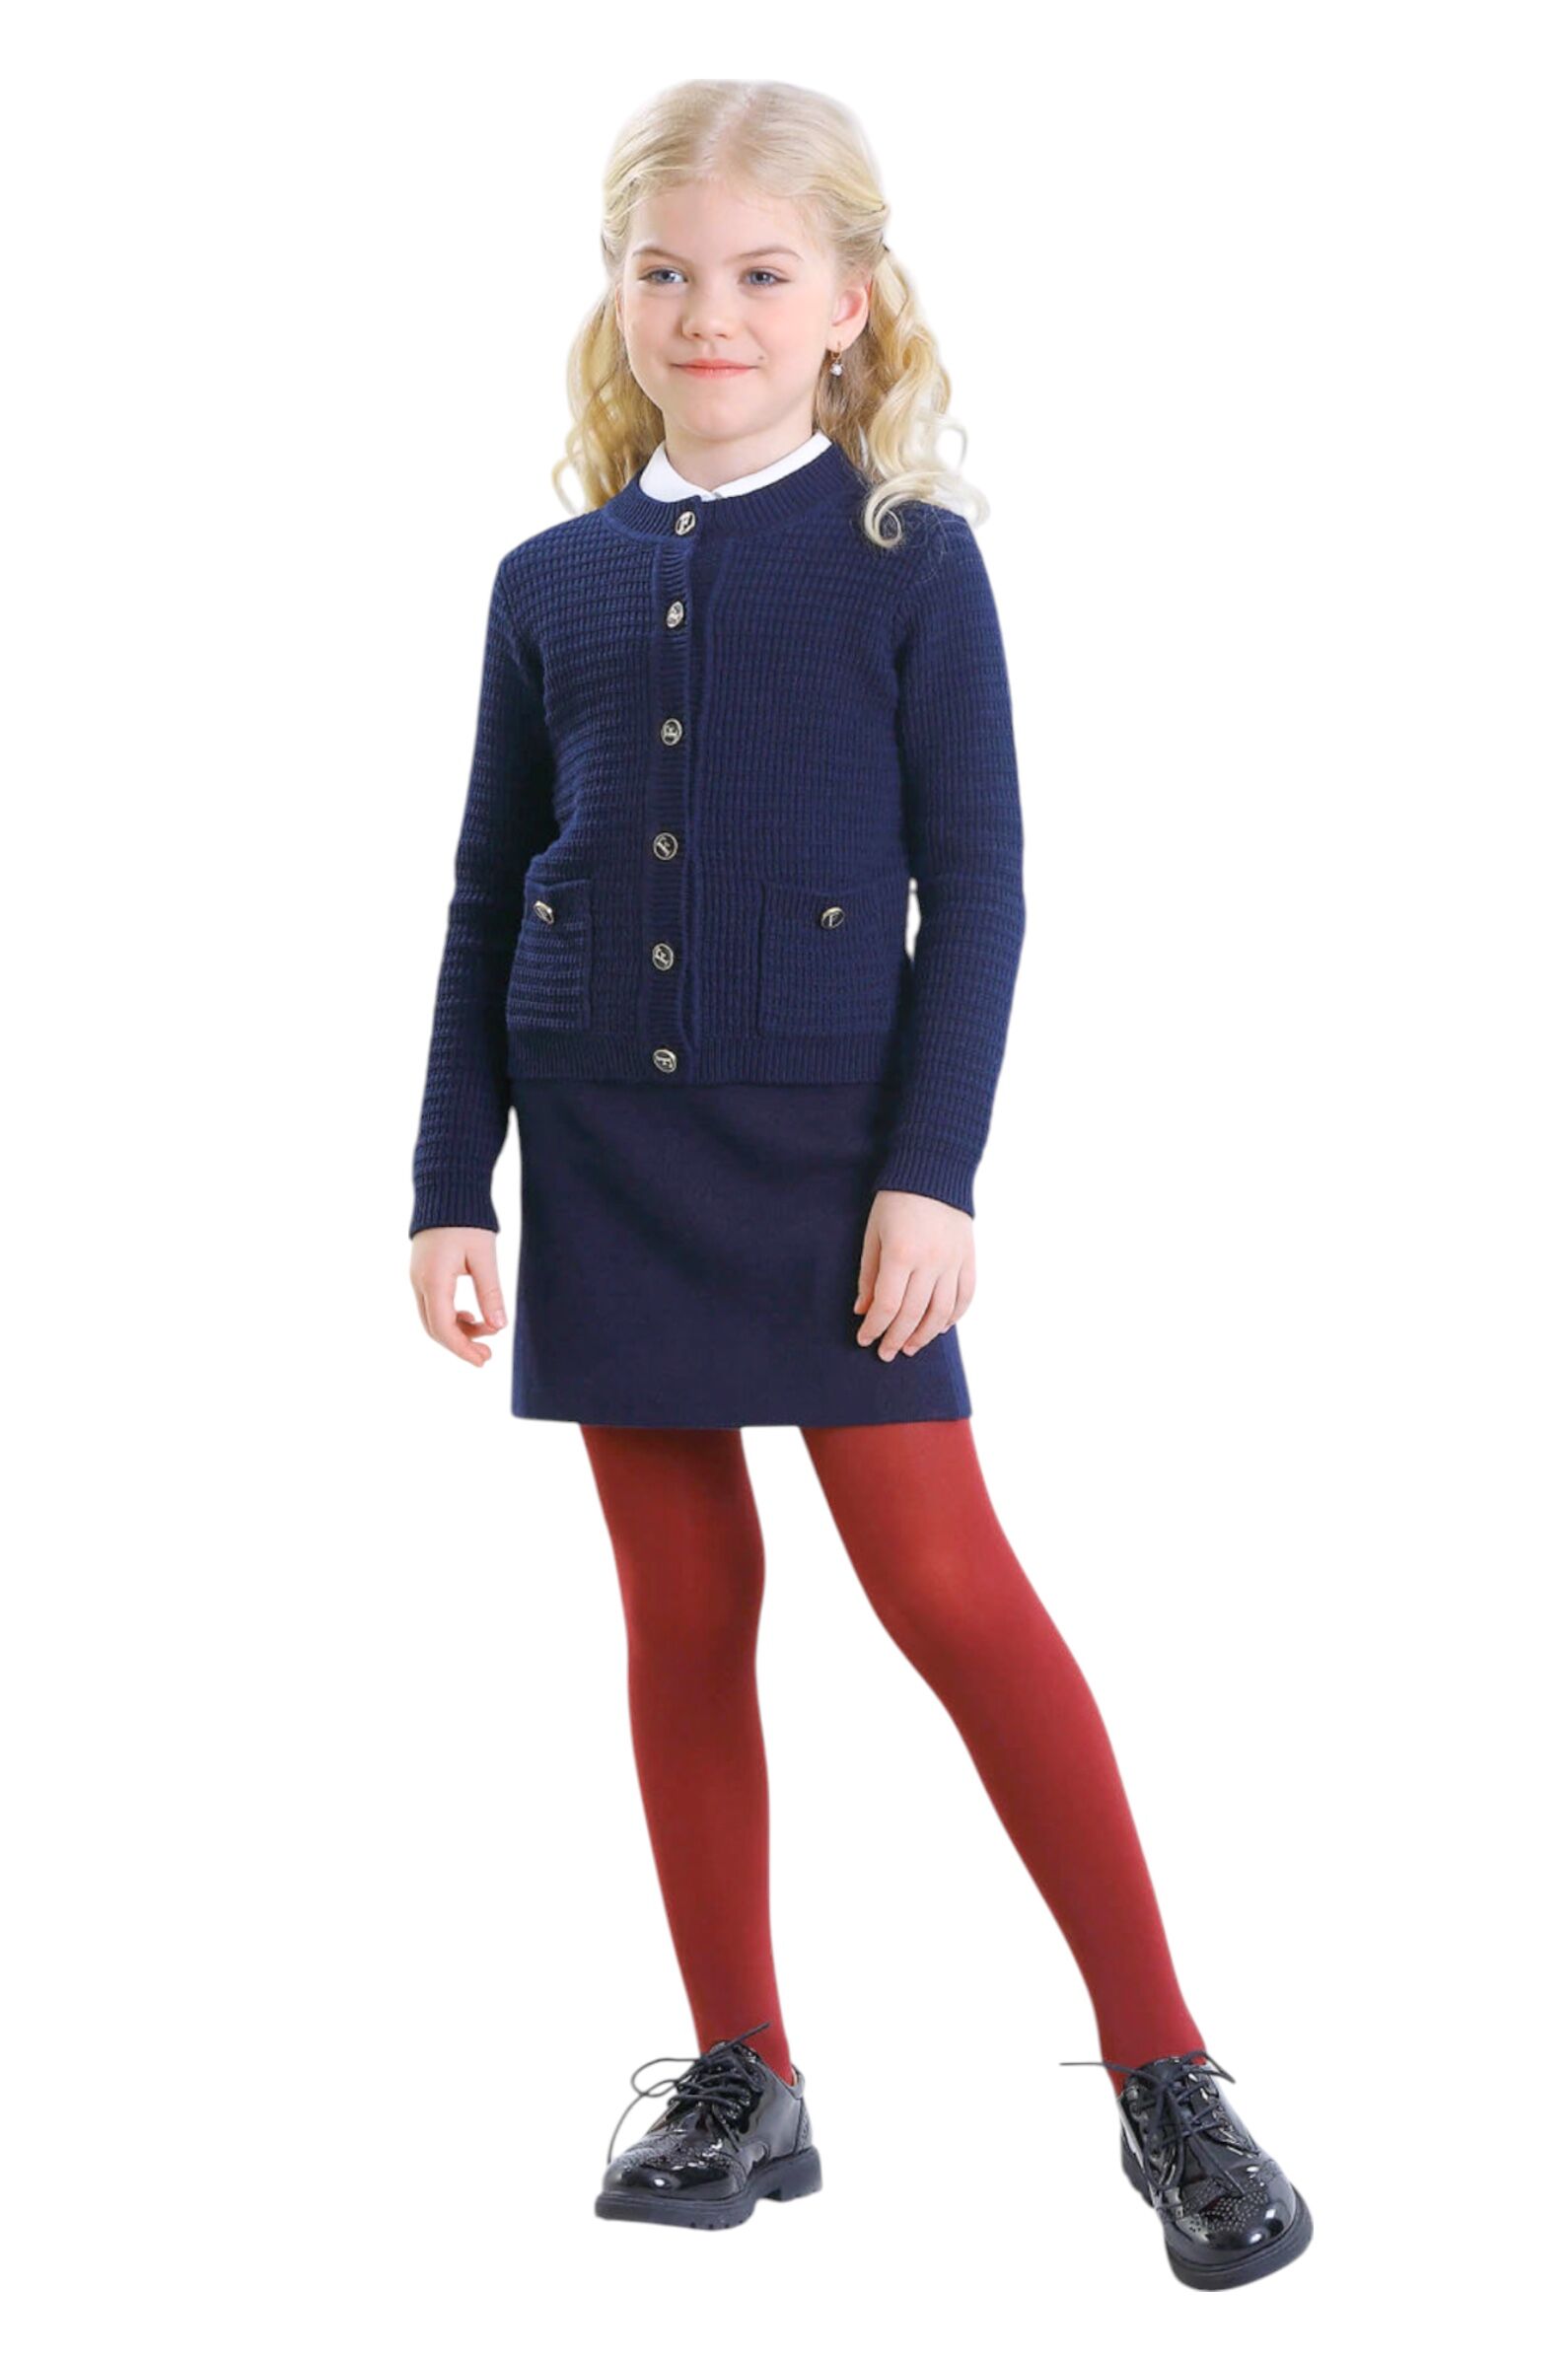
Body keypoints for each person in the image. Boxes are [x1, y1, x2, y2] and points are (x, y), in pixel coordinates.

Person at [406, 78, 1312, 2289]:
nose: (705, 313)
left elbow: (978, 888)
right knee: (682, 1609)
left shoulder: (914, 565)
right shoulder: (549, 582)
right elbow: (482, 889)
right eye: (665, 271)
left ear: (851, 306)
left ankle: (1165, 2071)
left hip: (834, 1166)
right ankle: (744, 2067)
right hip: (603, 1144)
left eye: (758, 273)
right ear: (617, 292)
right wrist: (450, 1180)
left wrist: (933, 1173)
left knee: (949, 1593)